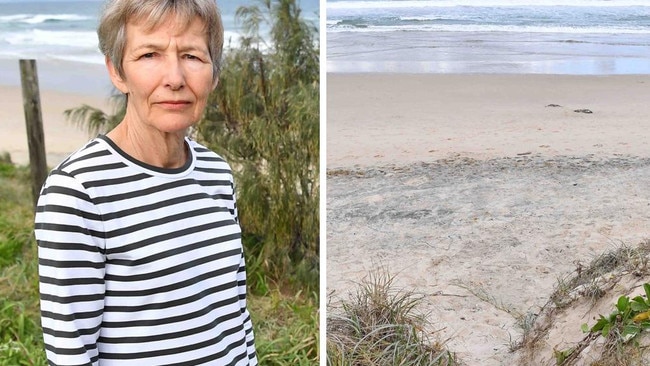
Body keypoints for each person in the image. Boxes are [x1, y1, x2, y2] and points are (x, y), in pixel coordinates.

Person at [33, 0, 257, 364]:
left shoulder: (217, 172)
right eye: (150, 54)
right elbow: (71, 353)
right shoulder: (77, 192)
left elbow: (234, 313)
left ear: (214, 74)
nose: (174, 78)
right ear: (117, 71)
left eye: (192, 56)